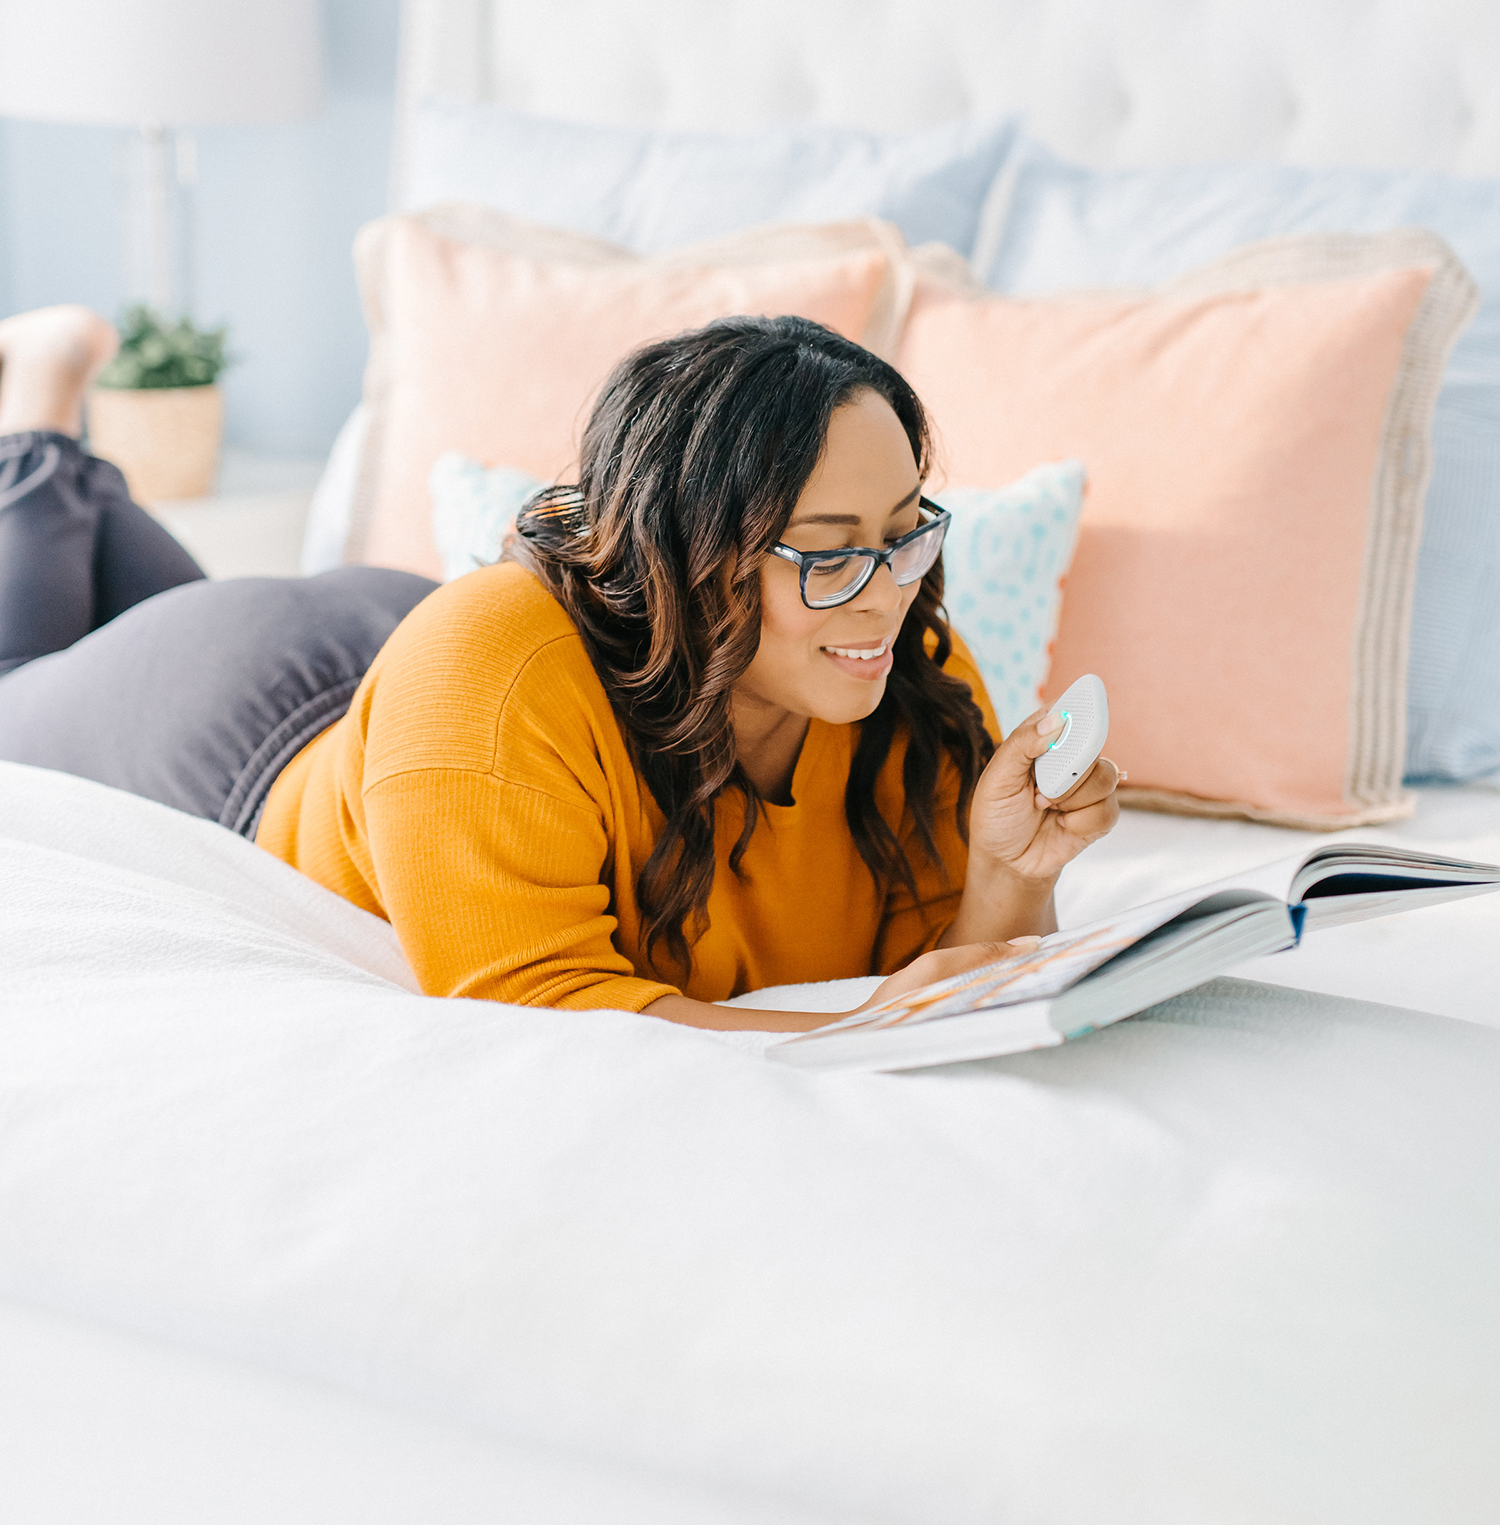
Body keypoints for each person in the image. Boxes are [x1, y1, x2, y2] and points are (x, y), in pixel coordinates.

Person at [0, 303, 1120, 1034]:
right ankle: (38, 433)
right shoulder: (481, 674)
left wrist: (1012, 876)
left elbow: (954, 981)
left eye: (905, 529)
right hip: (248, 718)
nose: (886, 587)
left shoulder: (899, 659)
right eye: (829, 553)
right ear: (689, 555)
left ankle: (70, 474)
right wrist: (850, 1033)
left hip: (426, 691)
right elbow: (538, 1004)